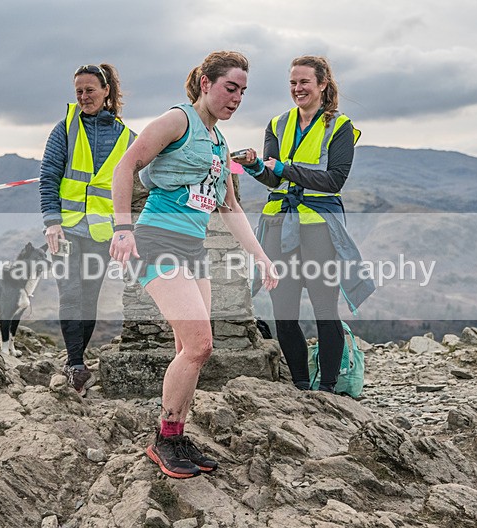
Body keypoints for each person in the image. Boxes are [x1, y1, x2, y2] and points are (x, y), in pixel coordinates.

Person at [109, 51, 278, 479]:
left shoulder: (219, 142)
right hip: (157, 242)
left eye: (242, 92)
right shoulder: (178, 120)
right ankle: (163, 440)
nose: (236, 98)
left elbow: (230, 207)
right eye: (230, 88)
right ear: (206, 83)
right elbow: (125, 166)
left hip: (192, 249)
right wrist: (123, 228)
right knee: (200, 344)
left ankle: (177, 434)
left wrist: (261, 258)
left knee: (190, 351)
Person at [234, 55, 374, 393]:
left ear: (322, 84)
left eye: (304, 82)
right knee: (283, 310)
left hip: (318, 226)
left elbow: (334, 180)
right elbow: (272, 178)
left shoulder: (339, 126)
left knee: (325, 308)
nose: (297, 88)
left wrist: (284, 169)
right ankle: (299, 385)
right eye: (293, 83)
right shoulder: (277, 124)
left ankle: (327, 388)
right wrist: (255, 167)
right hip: (279, 223)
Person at [39, 63, 136, 396]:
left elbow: (140, 183)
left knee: (89, 296)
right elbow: (49, 177)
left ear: (106, 91)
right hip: (66, 229)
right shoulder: (65, 128)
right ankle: (76, 364)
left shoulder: (127, 137)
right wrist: (51, 222)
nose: (83, 97)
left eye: (90, 90)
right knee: (70, 292)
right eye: (78, 91)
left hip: (101, 233)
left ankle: (76, 362)